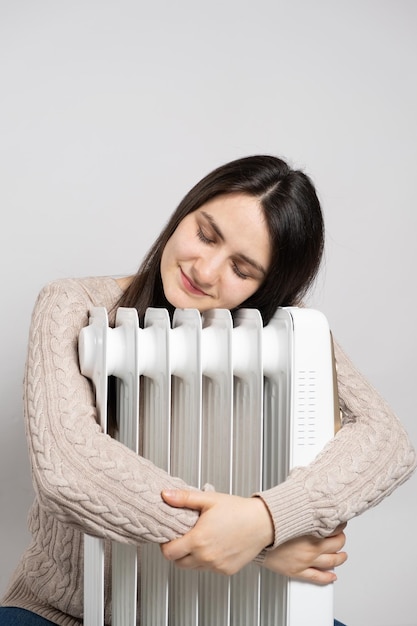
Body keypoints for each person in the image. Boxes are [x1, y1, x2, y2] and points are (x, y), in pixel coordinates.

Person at [1, 155, 415, 626]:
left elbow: (387, 439)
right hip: (67, 611)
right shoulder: (73, 305)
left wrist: (269, 517)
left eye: (242, 268)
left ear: (268, 286)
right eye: (206, 234)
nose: (206, 270)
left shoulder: (286, 329)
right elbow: (69, 470)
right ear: (185, 213)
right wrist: (257, 542)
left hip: (231, 610)